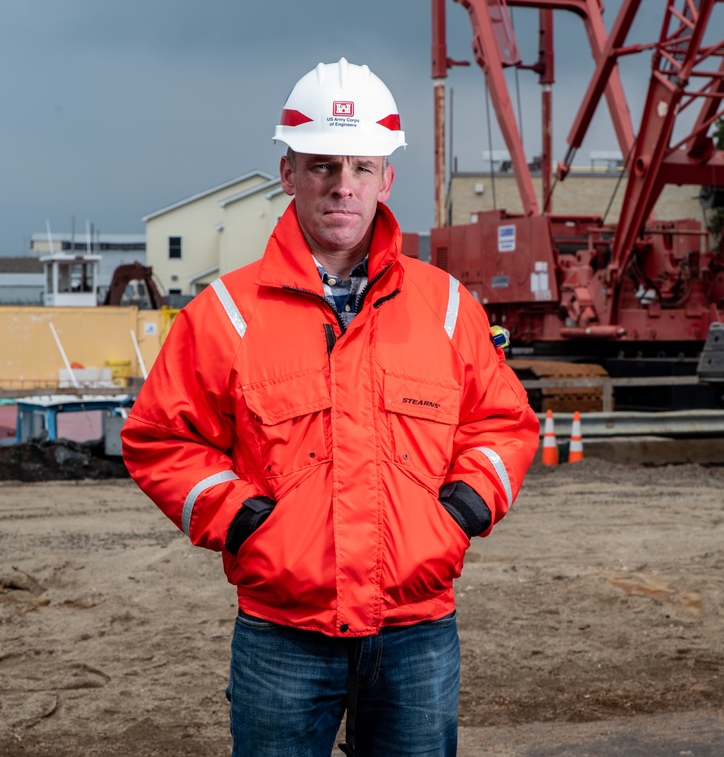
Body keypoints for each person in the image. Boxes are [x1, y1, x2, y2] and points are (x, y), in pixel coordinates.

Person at [120, 57, 540, 757]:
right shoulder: (224, 314)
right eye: (321, 166)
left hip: (415, 629)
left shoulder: (445, 307)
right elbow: (159, 438)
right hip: (283, 631)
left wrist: (460, 511)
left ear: (386, 178)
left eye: (360, 167)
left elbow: (503, 422)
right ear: (288, 173)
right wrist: (242, 520)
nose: (342, 186)